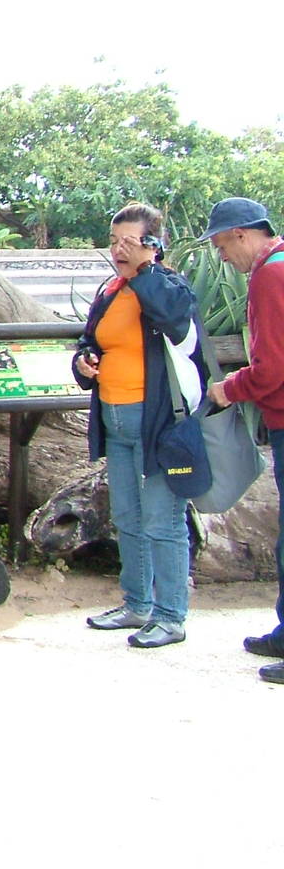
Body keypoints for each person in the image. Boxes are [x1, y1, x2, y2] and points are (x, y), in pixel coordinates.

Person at [73, 202, 205, 649]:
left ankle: (171, 614)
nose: (118, 250)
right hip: (115, 418)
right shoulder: (110, 290)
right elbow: (90, 340)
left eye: (129, 242)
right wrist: (83, 361)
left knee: (162, 520)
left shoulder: (167, 285)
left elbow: (172, 318)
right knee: (126, 516)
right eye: (114, 242)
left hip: (158, 424)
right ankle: (137, 603)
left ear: (152, 244)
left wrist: (145, 270)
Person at [200, 197, 284, 685]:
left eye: (222, 246)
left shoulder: (270, 275)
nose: (222, 258)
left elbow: (272, 368)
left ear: (243, 234)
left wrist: (230, 389)